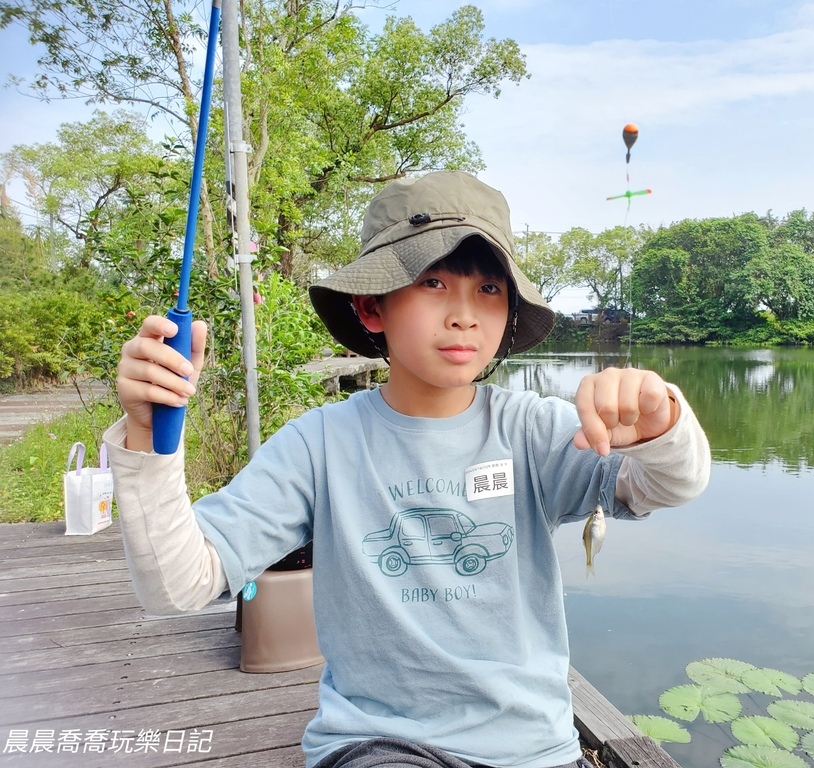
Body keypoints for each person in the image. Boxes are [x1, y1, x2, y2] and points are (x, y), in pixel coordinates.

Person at [106, 171, 711, 768]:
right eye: (433, 282)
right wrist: (145, 438)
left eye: (489, 290)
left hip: (535, 746)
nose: (464, 316)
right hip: (380, 743)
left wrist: (661, 422)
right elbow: (177, 584)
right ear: (372, 307)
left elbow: (670, 484)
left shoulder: (535, 430)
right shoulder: (318, 445)